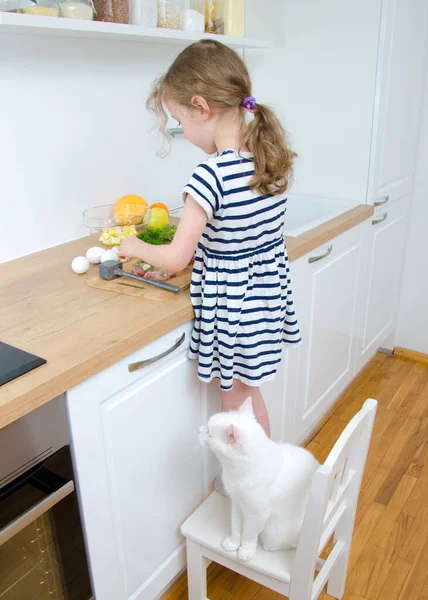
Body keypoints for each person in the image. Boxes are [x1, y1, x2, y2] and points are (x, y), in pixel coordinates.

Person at [118, 39, 301, 439]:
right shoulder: (265, 156)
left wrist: (134, 247)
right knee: (248, 399)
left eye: (180, 122)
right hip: (263, 304)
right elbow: (242, 234)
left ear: (201, 107)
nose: (183, 131)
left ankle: (255, 489)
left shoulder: (210, 175)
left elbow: (174, 258)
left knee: (237, 409)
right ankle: (259, 479)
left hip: (233, 311)